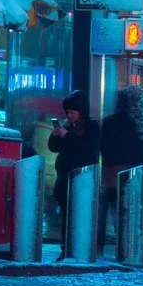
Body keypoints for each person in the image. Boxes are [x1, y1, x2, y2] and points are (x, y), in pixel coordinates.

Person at [47, 93, 98, 261]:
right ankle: (66, 248)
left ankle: (77, 249)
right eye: (67, 112)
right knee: (66, 216)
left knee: (78, 215)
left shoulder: (91, 126)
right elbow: (53, 147)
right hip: (64, 180)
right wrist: (56, 134)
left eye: (72, 112)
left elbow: (87, 148)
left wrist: (67, 136)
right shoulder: (68, 126)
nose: (69, 116)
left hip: (80, 180)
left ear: (81, 111)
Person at [99, 86, 143, 253]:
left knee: (107, 208)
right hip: (125, 170)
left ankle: (101, 244)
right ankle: (122, 242)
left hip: (109, 170)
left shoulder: (107, 122)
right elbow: (136, 148)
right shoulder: (130, 123)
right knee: (123, 209)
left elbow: (102, 145)